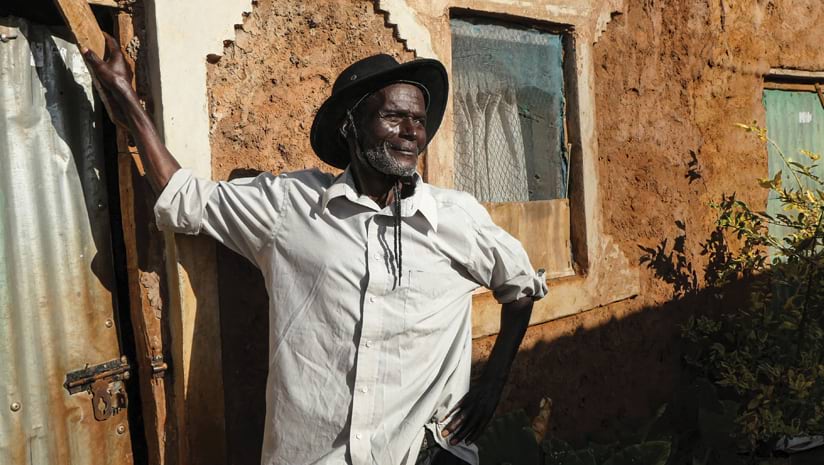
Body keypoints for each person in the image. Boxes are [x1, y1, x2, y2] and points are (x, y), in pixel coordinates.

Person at [84, 33, 547, 465]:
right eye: (393, 116)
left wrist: (491, 386)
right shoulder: (291, 206)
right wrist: (126, 99)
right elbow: (184, 198)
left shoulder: (456, 217)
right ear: (351, 127)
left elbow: (520, 287)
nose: (411, 132)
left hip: (421, 455)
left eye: (419, 120)